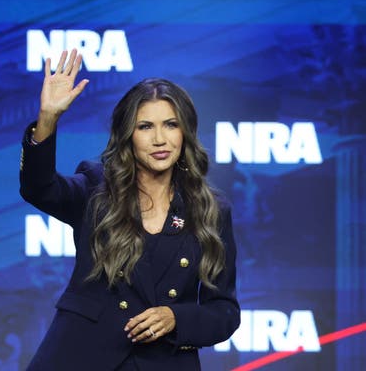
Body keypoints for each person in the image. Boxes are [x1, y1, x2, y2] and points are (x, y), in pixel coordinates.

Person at [19, 49, 240, 370]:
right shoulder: (96, 190)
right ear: (128, 136)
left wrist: (175, 317)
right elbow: (39, 189)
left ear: (186, 132)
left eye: (171, 125)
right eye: (145, 127)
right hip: (80, 358)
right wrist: (48, 119)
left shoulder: (210, 210)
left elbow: (224, 311)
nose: (160, 139)